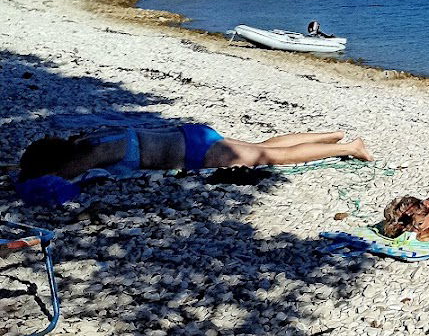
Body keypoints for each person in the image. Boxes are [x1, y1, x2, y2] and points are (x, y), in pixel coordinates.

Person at [16, 125, 373, 205]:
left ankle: (350, 147)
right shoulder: (89, 138)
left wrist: (24, 181)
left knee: (268, 156)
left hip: (191, 152)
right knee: (257, 147)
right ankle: (330, 135)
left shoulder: (85, 156)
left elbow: (58, 182)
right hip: (189, 136)